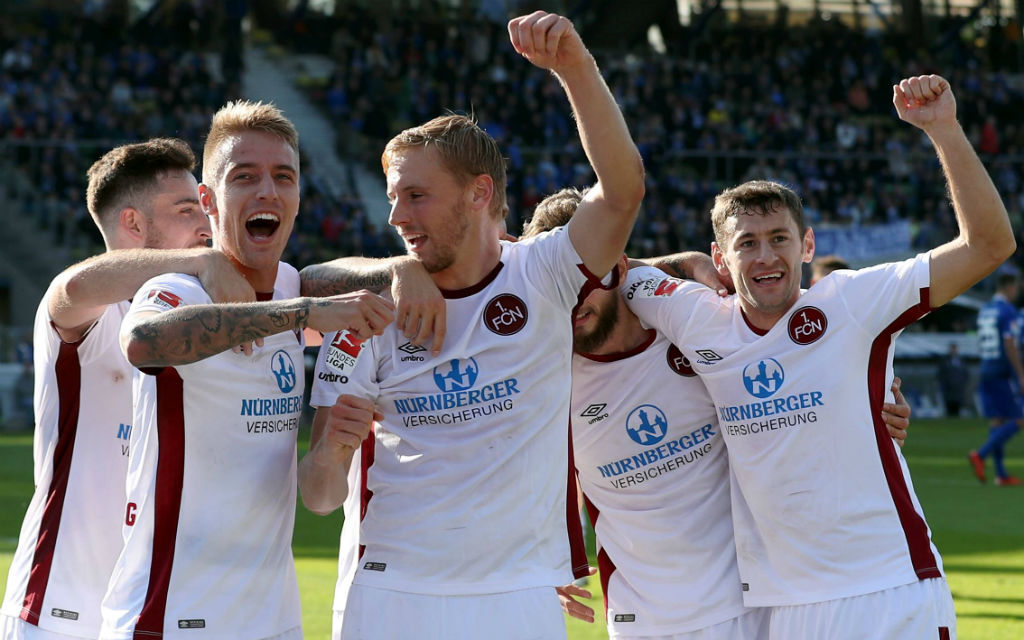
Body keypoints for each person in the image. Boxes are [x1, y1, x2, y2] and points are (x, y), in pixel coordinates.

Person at [619, 75, 1013, 638]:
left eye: (779, 238)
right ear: (721, 259)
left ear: (807, 245)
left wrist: (945, 131)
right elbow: (599, 271)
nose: (765, 256)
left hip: (887, 590)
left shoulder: (852, 301)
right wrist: (682, 262)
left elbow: (989, 245)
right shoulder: (694, 316)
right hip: (786, 608)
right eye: (746, 243)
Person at [298, 11, 645, 640]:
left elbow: (621, 193)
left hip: (517, 596)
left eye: (416, 195)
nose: (396, 215)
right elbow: (320, 496)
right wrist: (330, 450)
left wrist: (574, 68)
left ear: (479, 193)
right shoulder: (369, 315)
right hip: (391, 592)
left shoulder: (543, 273)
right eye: (394, 197)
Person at [521, 188, 912, 639]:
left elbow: (794, 381)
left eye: (581, 277)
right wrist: (539, 558)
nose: (569, 295)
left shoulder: (693, 326)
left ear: (619, 268)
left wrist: (868, 408)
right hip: (645, 620)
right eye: (556, 283)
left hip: (758, 606)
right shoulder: (543, 376)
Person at [99, 103, 393, 639]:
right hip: (171, 615)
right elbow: (142, 342)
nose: (268, 192)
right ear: (208, 202)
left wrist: (330, 453)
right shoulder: (181, 289)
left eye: (284, 177)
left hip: (272, 619)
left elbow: (324, 501)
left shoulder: (289, 283)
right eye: (245, 177)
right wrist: (302, 316)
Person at [1, 138, 254, 640]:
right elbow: (72, 290)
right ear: (133, 224)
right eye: (187, 210)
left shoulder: (198, 317)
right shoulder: (88, 313)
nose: (207, 225)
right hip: (56, 611)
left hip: (149, 613)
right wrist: (199, 263)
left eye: (205, 207)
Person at [969, 272, 1023, 485]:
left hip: (986, 369)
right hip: (1001, 372)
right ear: (1009, 288)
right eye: (1016, 288)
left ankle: (1000, 475)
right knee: (1019, 418)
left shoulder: (985, 310)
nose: (1017, 292)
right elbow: (1010, 343)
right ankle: (980, 455)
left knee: (997, 421)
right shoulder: (1008, 311)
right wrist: (1020, 373)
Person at [937, 342, 969, 417]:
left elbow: (965, 373)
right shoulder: (945, 360)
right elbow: (941, 373)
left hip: (958, 387)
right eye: (952, 348)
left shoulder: (961, 360)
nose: (954, 350)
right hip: (948, 388)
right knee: (949, 405)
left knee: (958, 405)